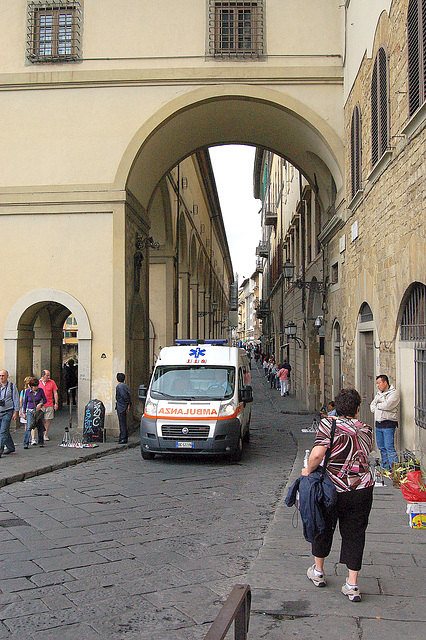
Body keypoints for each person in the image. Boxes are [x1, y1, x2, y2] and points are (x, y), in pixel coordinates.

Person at [302, 388, 374, 602]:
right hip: (361, 488)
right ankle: (352, 584)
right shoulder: (367, 429)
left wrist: (308, 470)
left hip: (332, 487)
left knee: (323, 526)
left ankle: (318, 571)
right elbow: (365, 452)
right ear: (357, 409)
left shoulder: (329, 424)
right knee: (355, 533)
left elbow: (317, 453)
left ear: (338, 407)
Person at [370, 374, 400, 471]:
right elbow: (372, 406)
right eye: (377, 384)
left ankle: (395, 469)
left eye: (379, 383)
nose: (377, 386)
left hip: (388, 424)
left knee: (389, 447)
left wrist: (378, 404)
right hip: (378, 423)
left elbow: (388, 405)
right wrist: (379, 404)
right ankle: (386, 468)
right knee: (381, 447)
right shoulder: (379, 394)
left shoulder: (394, 393)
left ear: (385, 382)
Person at [22, 378, 47, 448]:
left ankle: (41, 442)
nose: (36, 388)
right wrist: (24, 412)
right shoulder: (27, 392)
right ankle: (26, 443)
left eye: (37, 386)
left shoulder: (40, 391)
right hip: (30, 411)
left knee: (40, 426)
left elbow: (45, 399)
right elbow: (25, 402)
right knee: (29, 427)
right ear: (31, 386)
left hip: (38, 411)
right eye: (34, 386)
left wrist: (41, 404)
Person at [0, 370, 20, 457]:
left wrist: (16, 412)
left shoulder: (12, 386)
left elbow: (16, 400)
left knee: (3, 431)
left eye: (3, 376)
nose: (1, 377)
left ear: (7, 376)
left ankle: (0, 450)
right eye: (0, 375)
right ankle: (10, 447)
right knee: (5, 431)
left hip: (7, 411)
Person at [38, 370, 59, 441]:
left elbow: (55, 392)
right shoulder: (38, 382)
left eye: (49, 375)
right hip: (40, 404)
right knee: (38, 420)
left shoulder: (52, 382)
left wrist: (56, 403)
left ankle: (45, 434)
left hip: (49, 403)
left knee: (47, 420)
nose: (49, 377)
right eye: (47, 375)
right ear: (43, 376)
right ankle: (38, 434)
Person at [115, 372, 131, 444]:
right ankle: (123, 437)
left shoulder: (119, 386)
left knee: (122, 422)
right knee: (123, 422)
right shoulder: (125, 386)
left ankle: (123, 438)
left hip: (121, 406)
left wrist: (124, 404)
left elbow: (124, 396)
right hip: (124, 406)